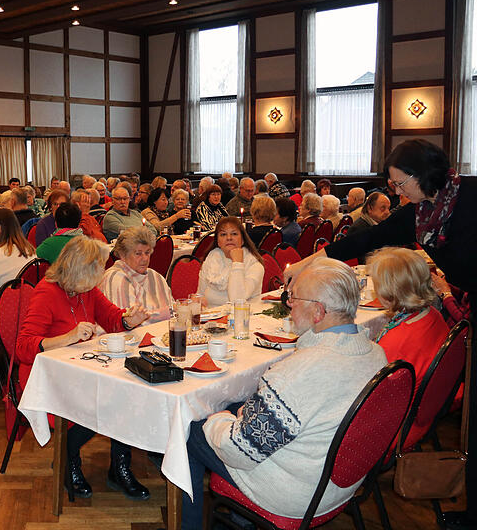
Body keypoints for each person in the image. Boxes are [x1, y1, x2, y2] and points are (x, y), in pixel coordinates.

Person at [285, 139, 477, 529]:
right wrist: (305, 263)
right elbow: (363, 240)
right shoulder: (421, 212)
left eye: (399, 183)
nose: (397, 192)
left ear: (422, 175)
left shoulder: (470, 198)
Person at [182, 258, 387, 529]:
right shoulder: (376, 353)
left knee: (190, 428)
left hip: (296, 494)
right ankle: (238, 520)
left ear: (318, 312)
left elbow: (236, 452)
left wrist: (217, 420)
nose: (288, 305)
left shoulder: (299, 371)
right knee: (236, 409)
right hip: (341, 482)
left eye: (294, 298)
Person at [16, 236, 151, 500]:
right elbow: (23, 347)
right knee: (106, 403)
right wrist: (68, 337)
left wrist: (128, 319)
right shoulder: (46, 292)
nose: (99, 277)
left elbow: (111, 317)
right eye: (96, 271)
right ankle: (68, 459)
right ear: (78, 270)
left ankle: (119, 466)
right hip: (47, 375)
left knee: (126, 393)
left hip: (81, 368)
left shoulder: (84, 288)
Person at [366, 247, 450, 398]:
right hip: (437, 396)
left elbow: (374, 392)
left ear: (386, 293)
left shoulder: (395, 341)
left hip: (404, 410)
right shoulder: (433, 314)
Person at [100, 227, 173, 323]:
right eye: (138, 254)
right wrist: (166, 313)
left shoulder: (155, 276)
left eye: (147, 252)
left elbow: (175, 311)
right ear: (123, 255)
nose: (145, 258)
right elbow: (129, 322)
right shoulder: (115, 277)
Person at [198, 216, 264, 306]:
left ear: (242, 240)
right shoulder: (211, 260)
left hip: (245, 316)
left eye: (234, 234)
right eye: (223, 234)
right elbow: (200, 294)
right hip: (212, 317)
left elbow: (237, 300)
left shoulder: (254, 265)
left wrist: (237, 263)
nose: (229, 238)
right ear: (218, 241)